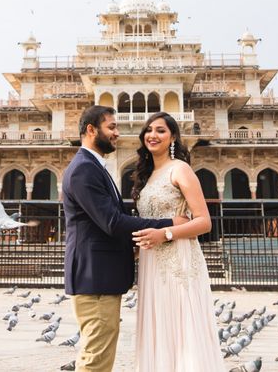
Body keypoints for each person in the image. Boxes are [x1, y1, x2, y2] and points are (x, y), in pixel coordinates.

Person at [61, 105, 187, 372]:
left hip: (100, 277)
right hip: (94, 279)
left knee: (99, 353)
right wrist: (169, 225)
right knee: (96, 358)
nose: (117, 133)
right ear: (91, 130)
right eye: (112, 127)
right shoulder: (84, 169)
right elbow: (112, 222)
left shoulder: (95, 166)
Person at [131, 112, 227, 371]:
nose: (153, 135)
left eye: (161, 130)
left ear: (172, 136)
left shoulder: (180, 169)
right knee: (159, 324)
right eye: (149, 130)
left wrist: (165, 234)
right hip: (151, 262)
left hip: (178, 260)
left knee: (181, 324)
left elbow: (204, 221)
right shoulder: (147, 175)